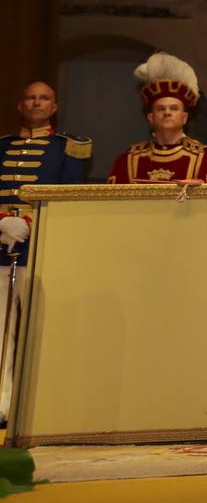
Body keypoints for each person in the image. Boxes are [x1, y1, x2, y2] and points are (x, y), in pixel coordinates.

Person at [0, 81, 90, 423]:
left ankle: (43, 403)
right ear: (20, 105)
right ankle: (2, 401)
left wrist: (26, 219)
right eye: (30, 98)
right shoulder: (3, 146)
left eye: (44, 98)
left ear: (54, 107)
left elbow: (70, 195)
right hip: (0, 248)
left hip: (40, 248)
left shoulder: (68, 148)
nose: (36, 103)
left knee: (41, 329)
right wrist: (2, 222)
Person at [108, 53, 207, 183]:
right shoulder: (128, 159)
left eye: (174, 108)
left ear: (184, 117)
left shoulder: (205, 159)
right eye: (161, 109)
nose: (167, 113)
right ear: (151, 117)